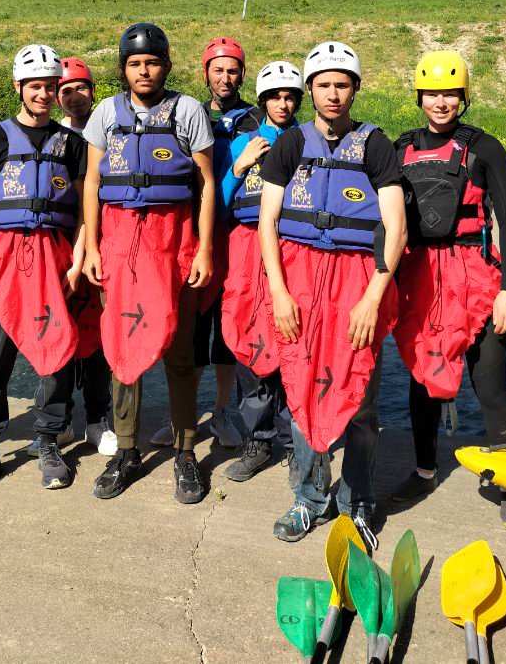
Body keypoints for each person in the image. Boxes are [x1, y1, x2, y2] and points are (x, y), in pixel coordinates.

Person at [258, 41, 407, 547]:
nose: (333, 93)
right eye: (323, 84)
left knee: (361, 397)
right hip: (299, 278)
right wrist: (278, 293)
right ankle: (308, 498)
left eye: (342, 84)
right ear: (310, 90)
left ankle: (357, 503)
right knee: (301, 389)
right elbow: (269, 222)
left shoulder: (375, 145)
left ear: (356, 89)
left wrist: (372, 297)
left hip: (356, 280)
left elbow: (396, 228)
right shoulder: (291, 144)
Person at [390, 51, 506, 527]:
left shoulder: (484, 148)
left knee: (489, 383)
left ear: (464, 97)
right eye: (432, 93)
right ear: (420, 96)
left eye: (450, 93)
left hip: (478, 280)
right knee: (422, 379)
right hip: (420, 280)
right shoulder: (399, 148)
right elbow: (380, 218)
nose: (440, 102)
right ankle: (424, 470)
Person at [83, 22, 215, 503]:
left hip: (172, 242)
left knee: (181, 357)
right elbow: (93, 185)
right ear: (124, 69)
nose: (144, 71)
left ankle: (184, 452)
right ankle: (127, 451)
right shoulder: (104, 114)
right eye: (135, 63)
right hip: (119, 244)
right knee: (122, 352)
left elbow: (203, 184)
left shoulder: (187, 112)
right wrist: (93, 246)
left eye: (153, 62)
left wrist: (203, 248)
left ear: (166, 66)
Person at [0, 44, 86, 496]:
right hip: (2, 260)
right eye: (36, 86)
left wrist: (79, 261)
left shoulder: (73, 145)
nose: (44, 94)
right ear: (19, 87)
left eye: (51, 86)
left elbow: (87, 212)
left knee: (58, 349)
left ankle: (48, 439)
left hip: (55, 259)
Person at [151, 37, 248, 449]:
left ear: (242, 73)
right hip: (193, 234)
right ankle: (183, 416)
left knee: (227, 330)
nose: (225, 78)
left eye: (232, 70)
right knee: (187, 331)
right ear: (204, 72)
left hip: (238, 239)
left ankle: (224, 410)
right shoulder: (187, 114)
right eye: (218, 70)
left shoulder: (256, 119)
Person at [26, 57, 117, 457]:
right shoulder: (51, 138)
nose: (73, 96)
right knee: (57, 337)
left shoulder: (112, 131)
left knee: (96, 339)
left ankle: (98, 421)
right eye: (65, 90)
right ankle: (59, 424)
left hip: (103, 247)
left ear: (93, 91)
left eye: (81, 87)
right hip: (59, 252)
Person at [220, 61, 303, 485]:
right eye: (275, 96)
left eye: (290, 96)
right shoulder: (243, 142)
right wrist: (240, 165)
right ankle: (257, 439)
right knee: (248, 337)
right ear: (264, 101)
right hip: (245, 247)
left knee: (290, 338)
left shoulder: (309, 142)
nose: (283, 104)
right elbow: (218, 200)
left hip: (290, 250)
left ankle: (292, 442)